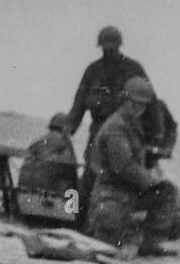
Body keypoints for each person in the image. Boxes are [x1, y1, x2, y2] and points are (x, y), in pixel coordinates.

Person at [64, 26, 152, 227]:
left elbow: (149, 101)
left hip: (127, 131)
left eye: (112, 48)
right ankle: (79, 225)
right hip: (98, 131)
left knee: (128, 176)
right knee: (89, 179)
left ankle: (125, 225)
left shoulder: (133, 69)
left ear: (119, 47)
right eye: (105, 48)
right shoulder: (93, 70)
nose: (108, 51)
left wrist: (152, 136)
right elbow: (79, 101)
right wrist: (70, 126)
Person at [84, 77, 178, 255]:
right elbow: (124, 166)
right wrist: (150, 182)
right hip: (111, 195)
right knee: (106, 248)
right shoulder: (116, 127)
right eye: (134, 103)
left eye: (142, 105)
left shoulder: (130, 124)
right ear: (124, 100)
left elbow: (134, 154)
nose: (138, 108)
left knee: (166, 192)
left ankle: (151, 245)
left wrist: (152, 154)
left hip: (129, 192)